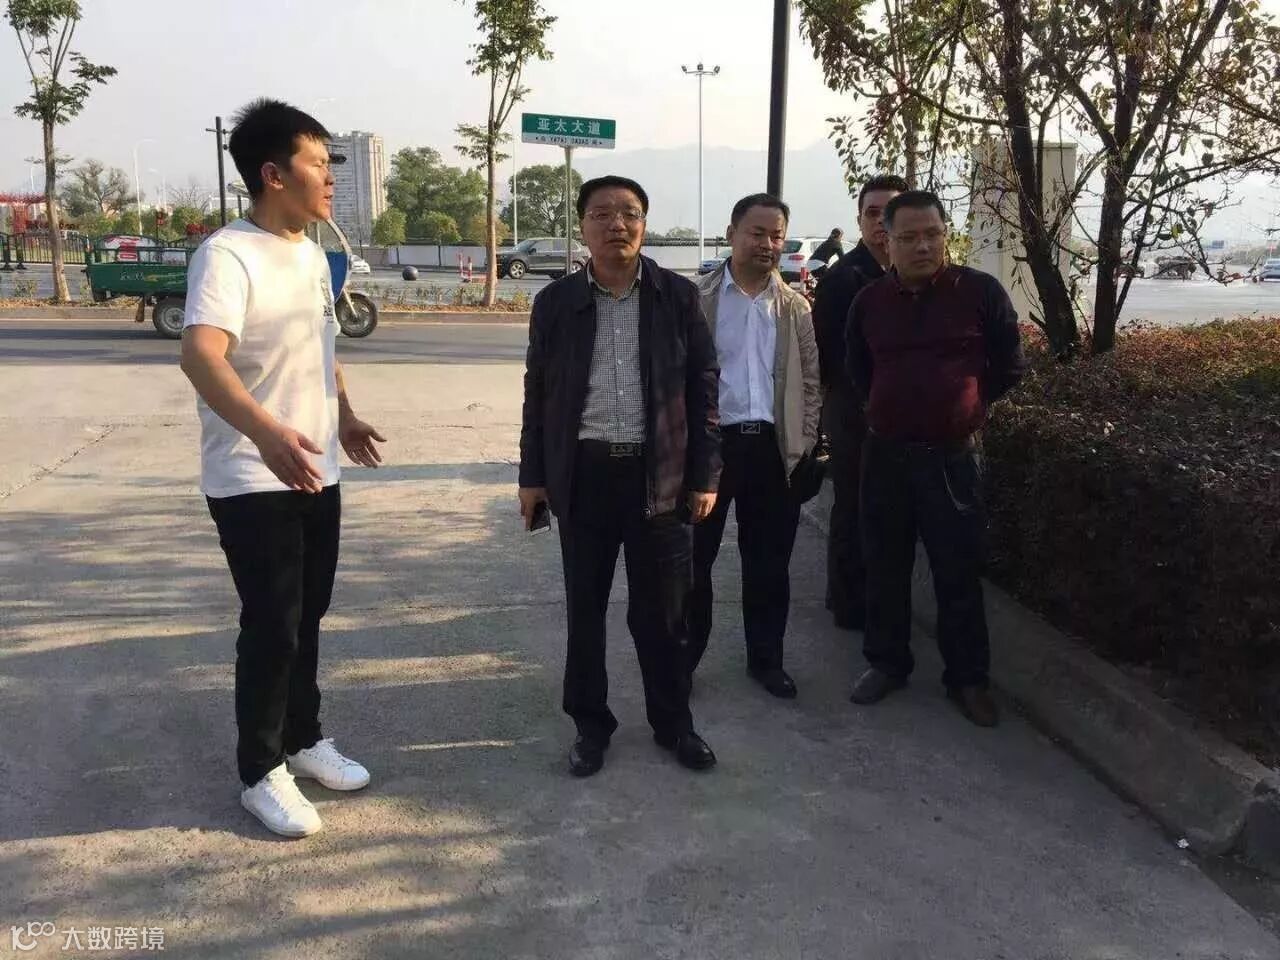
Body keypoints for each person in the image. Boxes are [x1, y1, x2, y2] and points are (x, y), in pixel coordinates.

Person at [179, 99, 386, 838]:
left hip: (316, 466)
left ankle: (302, 737)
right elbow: (200, 355)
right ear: (273, 175)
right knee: (273, 623)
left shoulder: (309, 253)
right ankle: (259, 770)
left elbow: (321, 351)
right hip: (251, 473)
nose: (330, 178)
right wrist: (266, 434)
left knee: (309, 614)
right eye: (318, 164)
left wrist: (345, 414)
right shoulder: (228, 255)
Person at [518, 175, 722, 777]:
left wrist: (706, 474)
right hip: (583, 478)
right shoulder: (555, 303)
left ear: (644, 224)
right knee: (585, 610)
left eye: (630, 213)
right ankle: (590, 725)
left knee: (665, 616)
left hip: (660, 479)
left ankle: (674, 723)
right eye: (602, 213)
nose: (617, 225)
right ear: (582, 227)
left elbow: (705, 390)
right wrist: (532, 476)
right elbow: (538, 395)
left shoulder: (677, 297)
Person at [845, 190, 1025, 727]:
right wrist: (894, 407)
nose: (922, 246)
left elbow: (1009, 367)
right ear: (887, 240)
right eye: (909, 237)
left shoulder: (980, 292)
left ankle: (967, 679)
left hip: (952, 459)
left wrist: (965, 407)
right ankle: (887, 663)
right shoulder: (869, 302)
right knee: (884, 565)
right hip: (886, 456)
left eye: (932, 235)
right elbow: (858, 371)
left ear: (946, 236)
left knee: (957, 571)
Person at [688, 194, 821, 699]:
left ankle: (766, 661)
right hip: (710, 447)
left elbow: (811, 382)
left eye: (776, 235)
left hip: (772, 449)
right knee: (693, 562)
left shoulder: (794, 308)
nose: (767, 244)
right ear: (732, 234)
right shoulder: (697, 300)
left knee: (768, 565)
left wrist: (803, 441)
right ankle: (683, 661)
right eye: (757, 232)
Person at [811, 174, 908, 631]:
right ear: (859, 221)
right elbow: (828, 354)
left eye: (891, 213)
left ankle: (883, 598)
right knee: (853, 505)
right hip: (855, 411)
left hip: (905, 416)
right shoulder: (843, 279)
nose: (881, 223)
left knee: (891, 510)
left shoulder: (915, 274)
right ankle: (849, 603)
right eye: (872, 213)